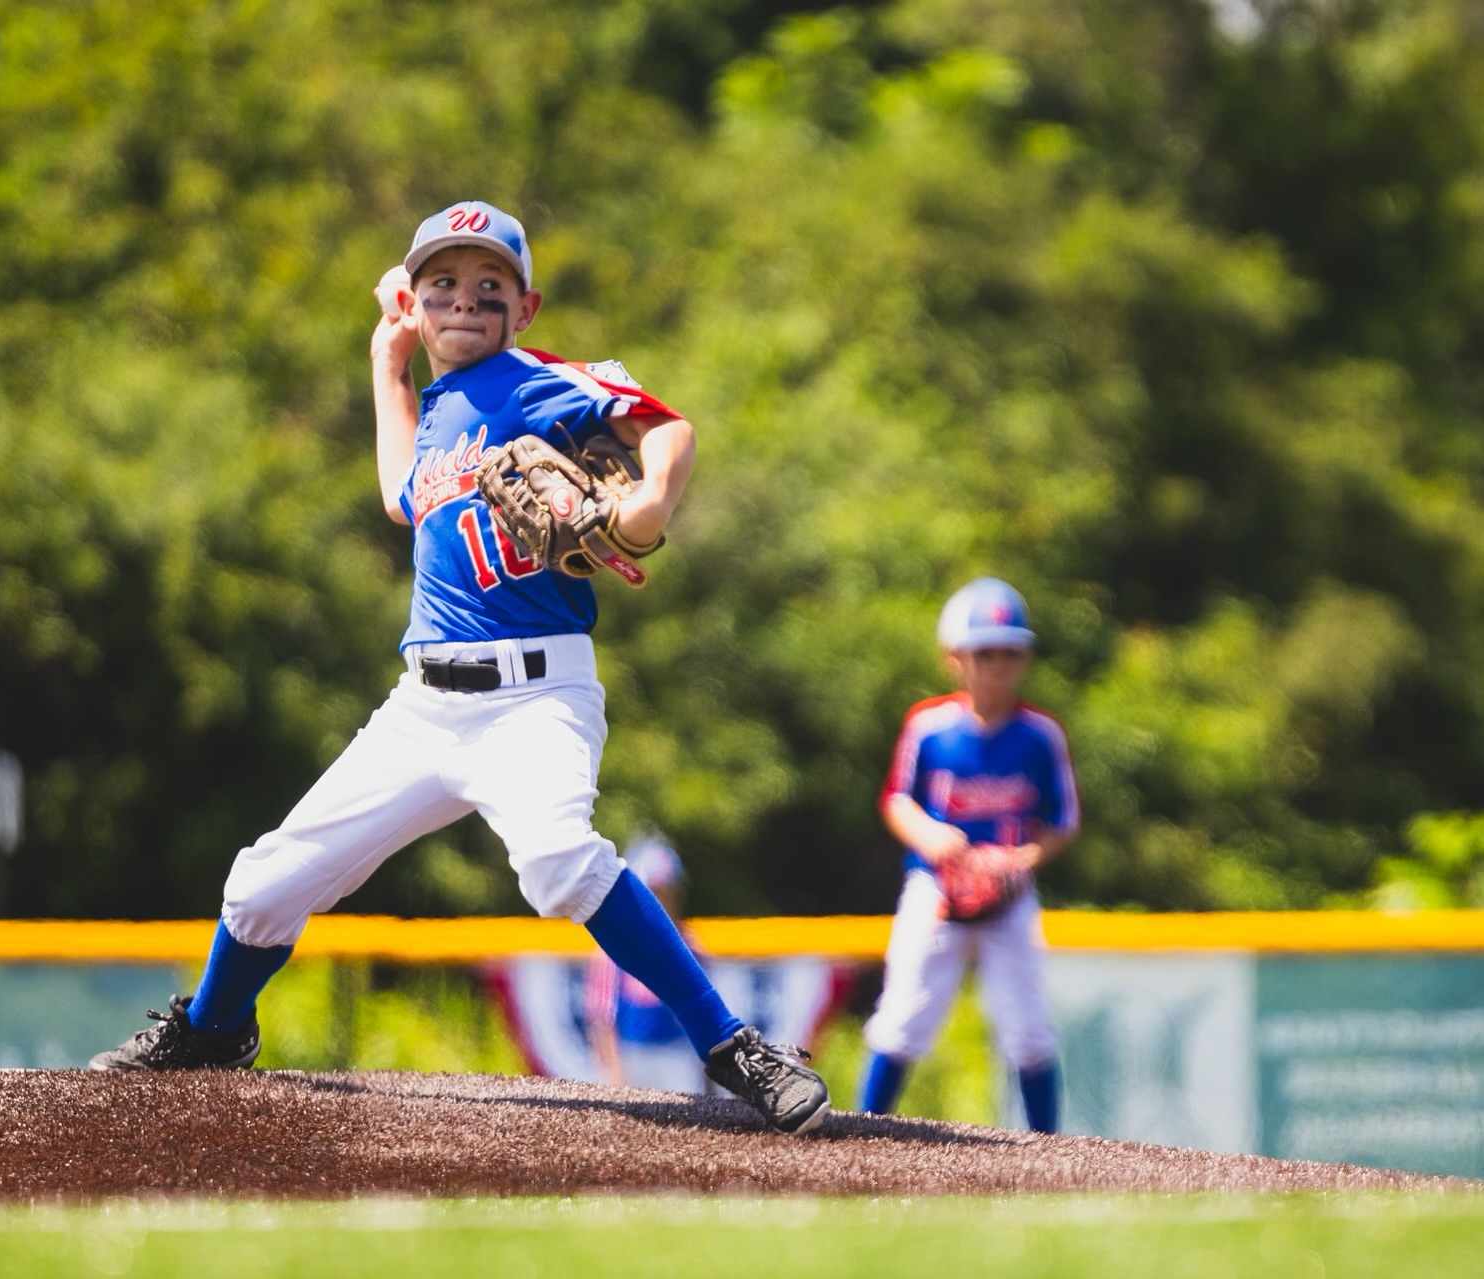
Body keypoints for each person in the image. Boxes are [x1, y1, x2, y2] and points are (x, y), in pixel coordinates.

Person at [89, 200, 829, 1136]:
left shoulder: (546, 379)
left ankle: (733, 1048)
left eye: (490, 287)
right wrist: (384, 360)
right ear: (415, 299)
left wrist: (647, 504)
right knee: (259, 887)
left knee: (558, 863)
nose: (465, 301)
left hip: (537, 696)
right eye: (443, 284)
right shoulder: (437, 410)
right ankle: (212, 1028)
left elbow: (668, 431)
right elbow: (403, 496)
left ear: (526, 308)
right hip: (423, 706)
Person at [856, 577, 1079, 1133]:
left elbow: (1064, 822)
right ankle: (856, 1136)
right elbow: (896, 800)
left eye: (1008, 652)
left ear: (1024, 658)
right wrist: (930, 835)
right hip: (935, 888)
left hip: (1009, 895)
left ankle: (1048, 1154)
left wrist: (1022, 860)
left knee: (1029, 1032)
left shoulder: (1040, 736)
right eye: (985, 652)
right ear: (955, 658)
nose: (997, 664)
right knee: (902, 1021)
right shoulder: (929, 727)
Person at [583, 836, 710, 1094]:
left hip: (678, 1058)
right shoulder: (613, 948)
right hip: (630, 1056)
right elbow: (601, 1019)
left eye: (664, 892)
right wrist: (614, 1073)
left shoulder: (692, 947)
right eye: (651, 892)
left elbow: (706, 1015)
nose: (659, 901)